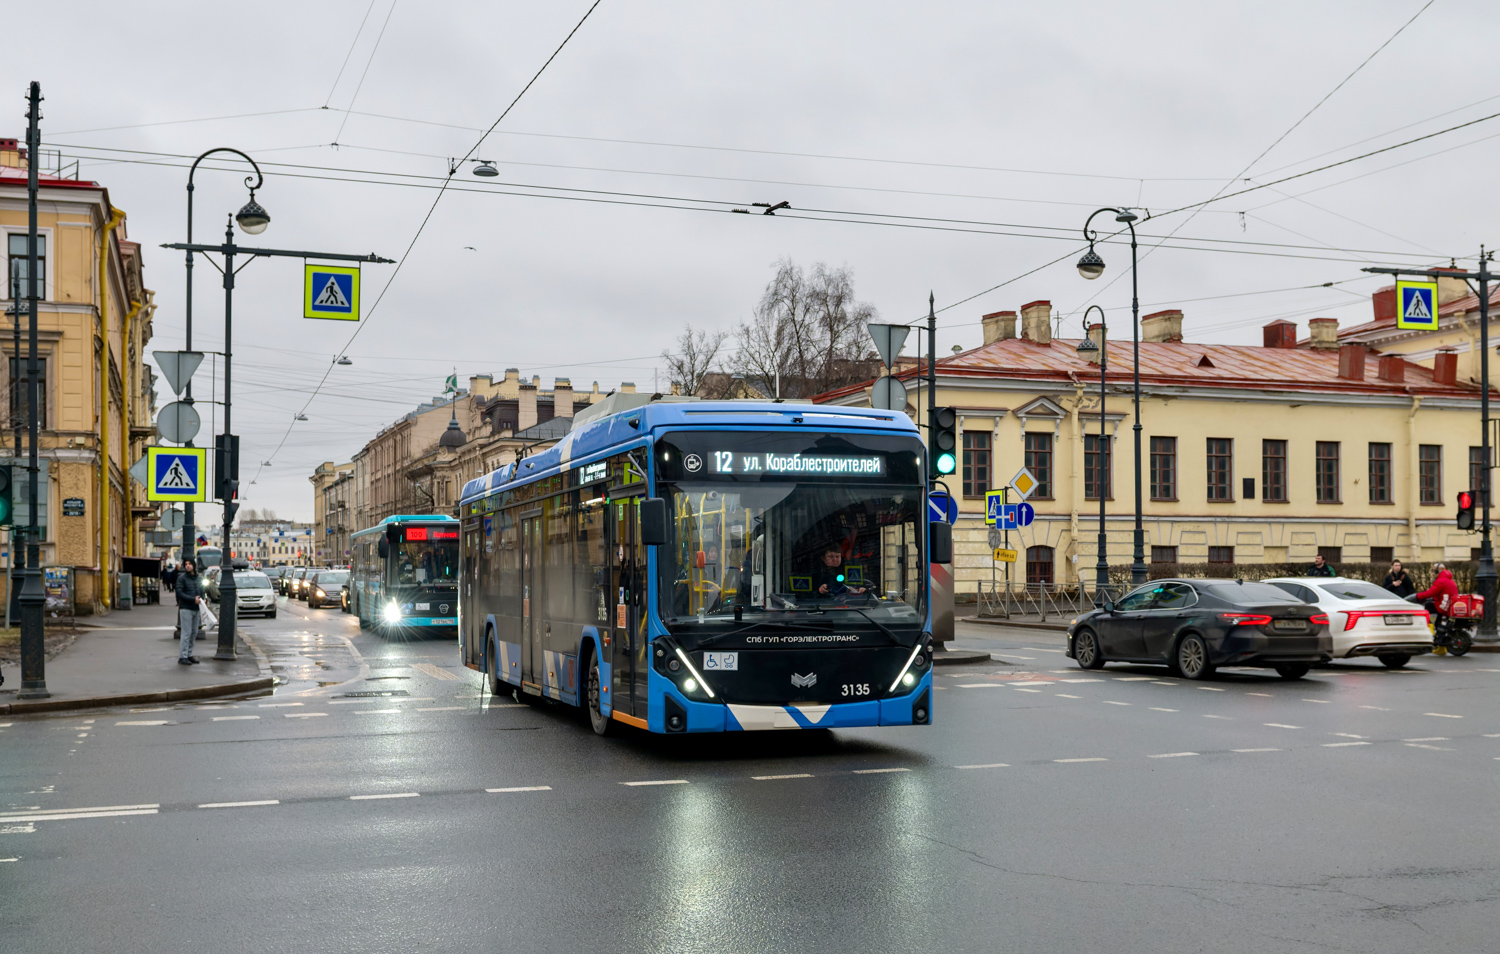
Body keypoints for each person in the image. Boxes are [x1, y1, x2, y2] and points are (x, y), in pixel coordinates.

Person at [175, 558, 203, 665]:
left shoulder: (198, 577)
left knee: (194, 632)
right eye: (186, 564)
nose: (187, 566)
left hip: (196, 608)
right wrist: (193, 599)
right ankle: (182, 656)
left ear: (194, 565)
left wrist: (203, 598)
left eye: (190, 564)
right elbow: (179, 593)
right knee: (186, 633)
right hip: (186, 608)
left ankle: (189, 654)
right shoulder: (181, 578)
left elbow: (201, 590)